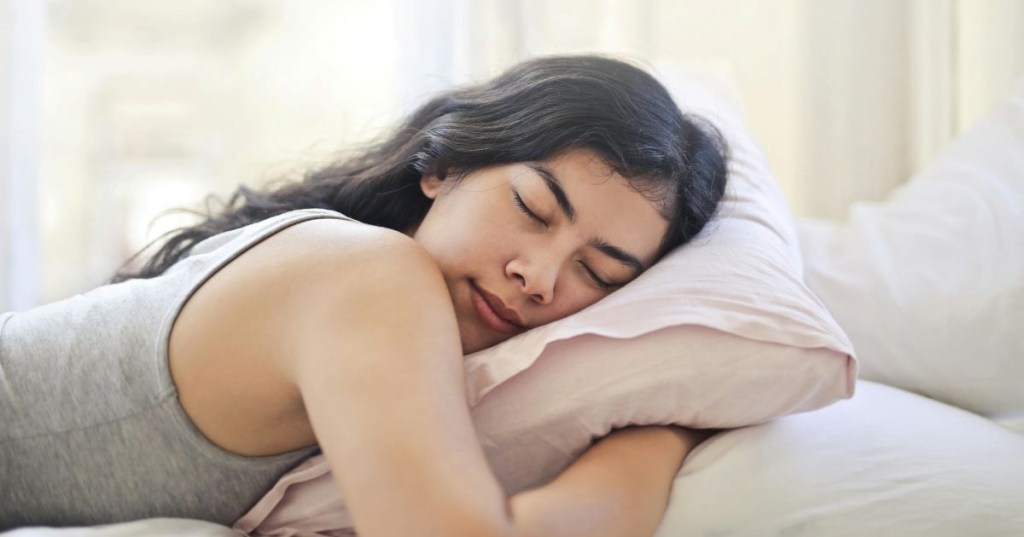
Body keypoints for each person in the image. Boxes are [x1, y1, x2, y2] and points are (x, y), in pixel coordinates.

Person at [0, 55, 728, 536]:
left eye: (598, 273)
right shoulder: (370, 275)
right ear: (442, 166)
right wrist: (661, 434)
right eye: (534, 209)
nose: (540, 277)